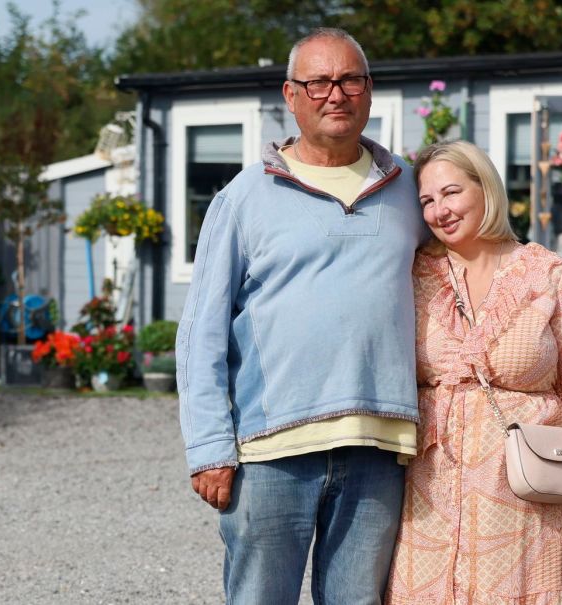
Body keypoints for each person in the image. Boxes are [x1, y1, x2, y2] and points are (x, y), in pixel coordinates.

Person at [176, 28, 430, 604]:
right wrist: (210, 447)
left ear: (369, 91)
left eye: (349, 80)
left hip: (377, 446)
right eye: (318, 82)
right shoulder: (244, 197)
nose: (334, 94)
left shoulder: (410, 192)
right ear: (291, 96)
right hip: (270, 450)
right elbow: (200, 334)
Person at [385, 140, 562, 604]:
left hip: (526, 498)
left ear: (485, 188)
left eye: (451, 193)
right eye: (427, 201)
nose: (439, 211)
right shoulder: (411, 275)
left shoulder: (551, 275)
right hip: (429, 492)